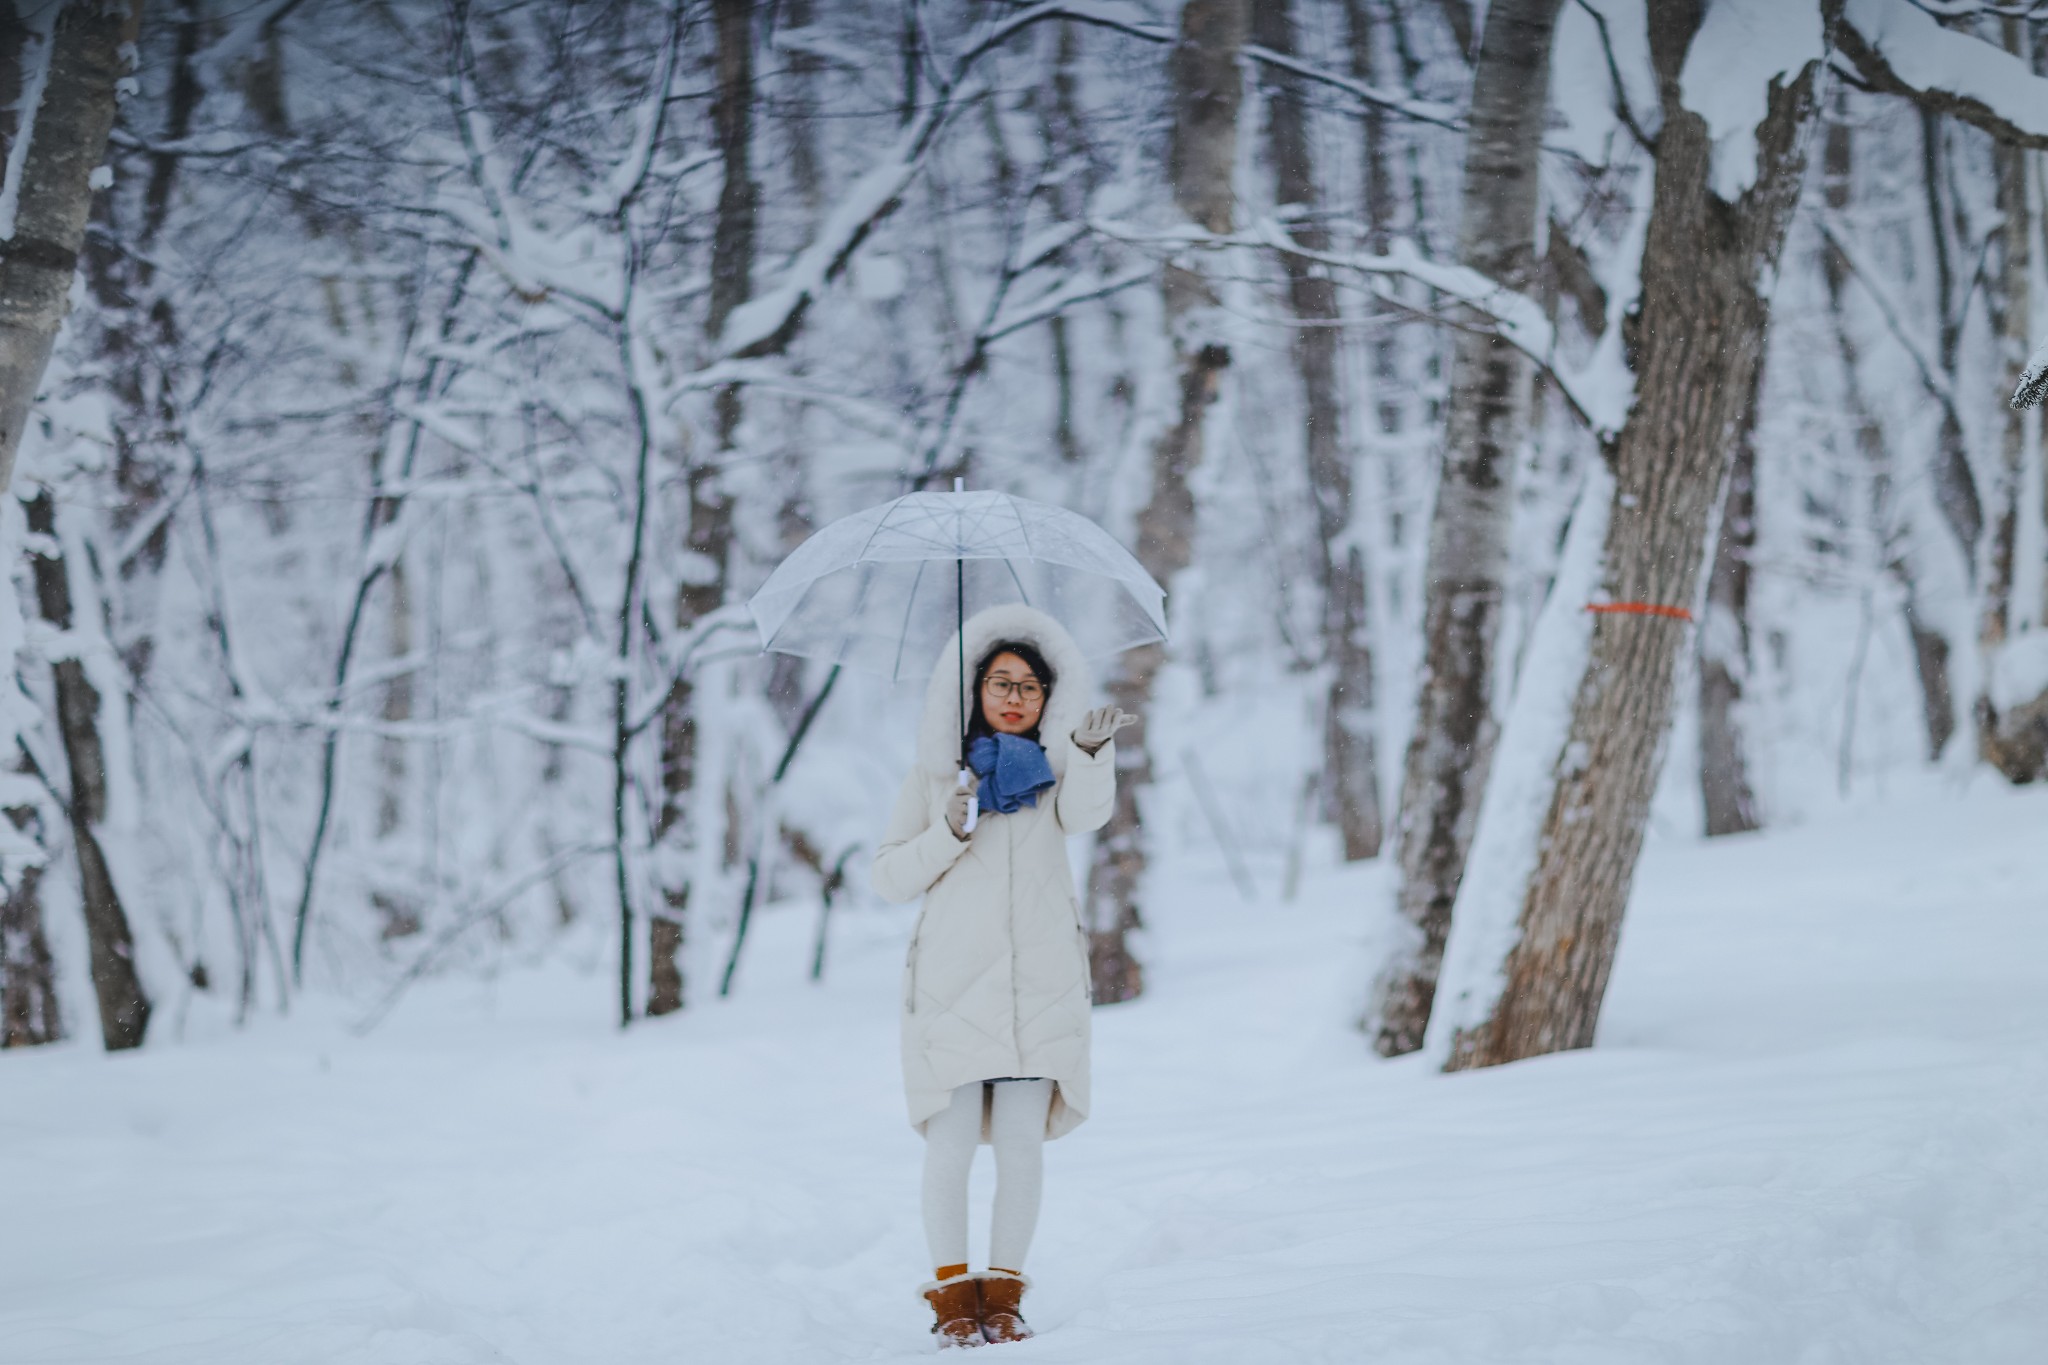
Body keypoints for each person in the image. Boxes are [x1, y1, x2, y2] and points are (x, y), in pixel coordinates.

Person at [871, 603, 1134, 1348]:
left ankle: (1005, 1297)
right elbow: (889, 876)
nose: (1014, 697)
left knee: (1021, 1147)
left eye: (1029, 686)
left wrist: (1088, 749)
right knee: (949, 1147)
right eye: (998, 682)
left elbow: (1088, 815)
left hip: (1038, 985)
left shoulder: (1055, 775)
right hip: (953, 988)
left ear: (1050, 696)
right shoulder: (934, 778)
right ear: (973, 690)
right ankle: (955, 1301)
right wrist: (948, 828)